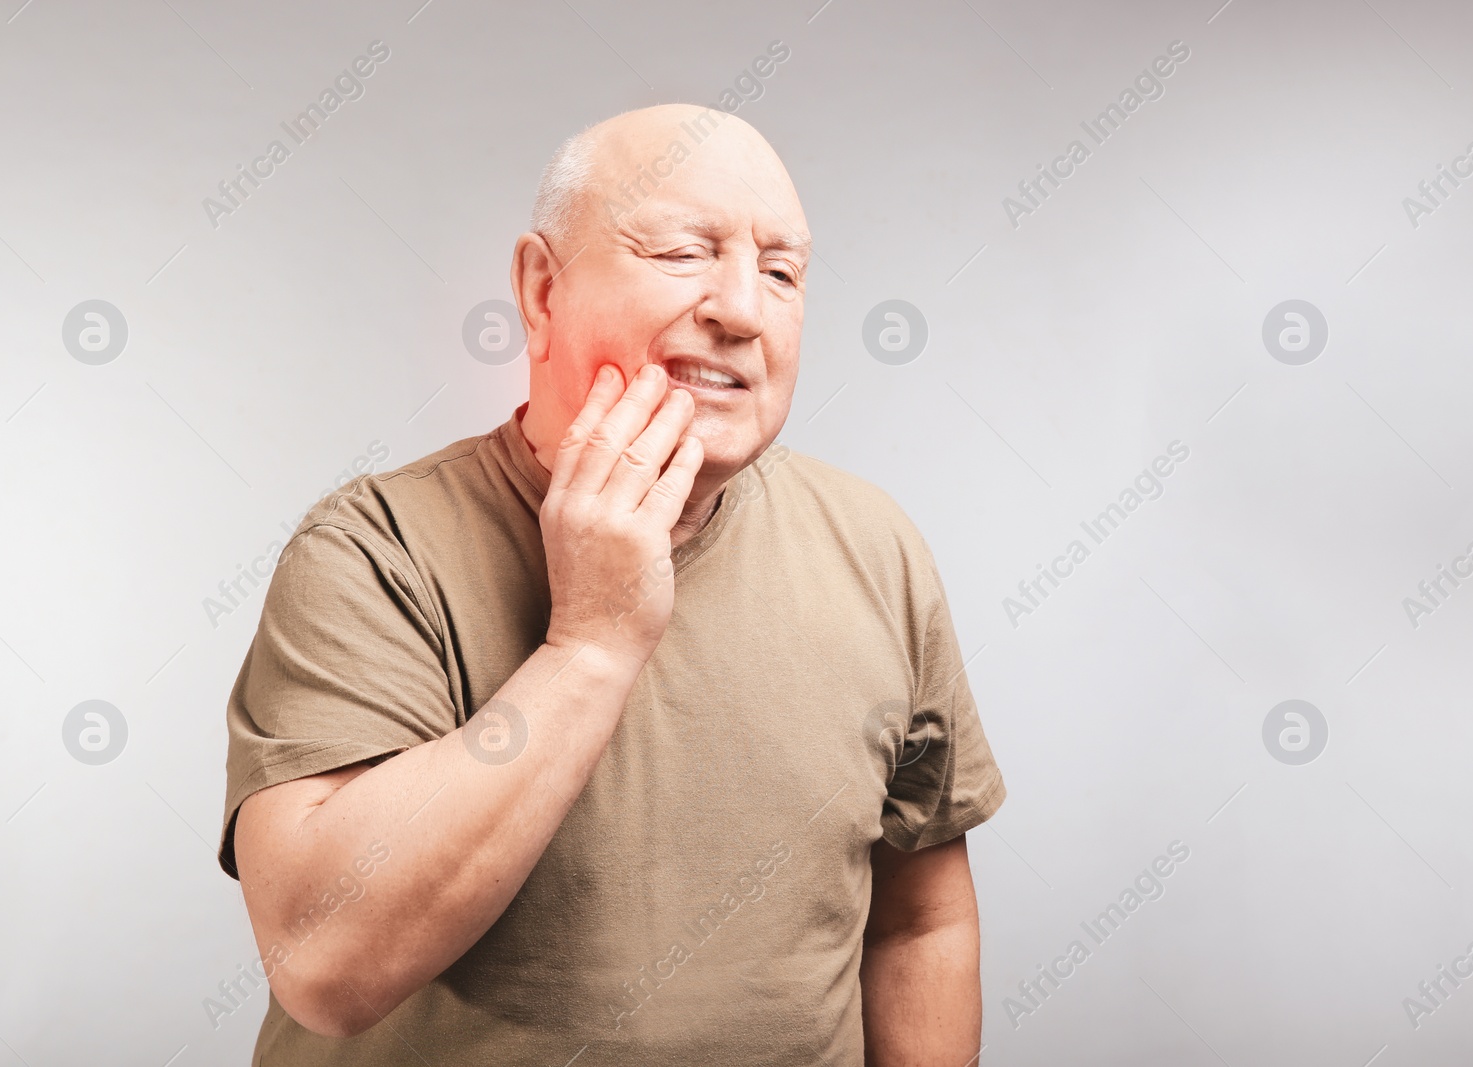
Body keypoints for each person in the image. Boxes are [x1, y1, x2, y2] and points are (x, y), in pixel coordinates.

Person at [218, 102, 1007, 1066]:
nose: (741, 310)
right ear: (541, 290)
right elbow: (323, 963)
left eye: (782, 272)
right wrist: (590, 643)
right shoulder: (374, 550)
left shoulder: (876, 545)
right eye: (682, 254)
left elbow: (918, 924)